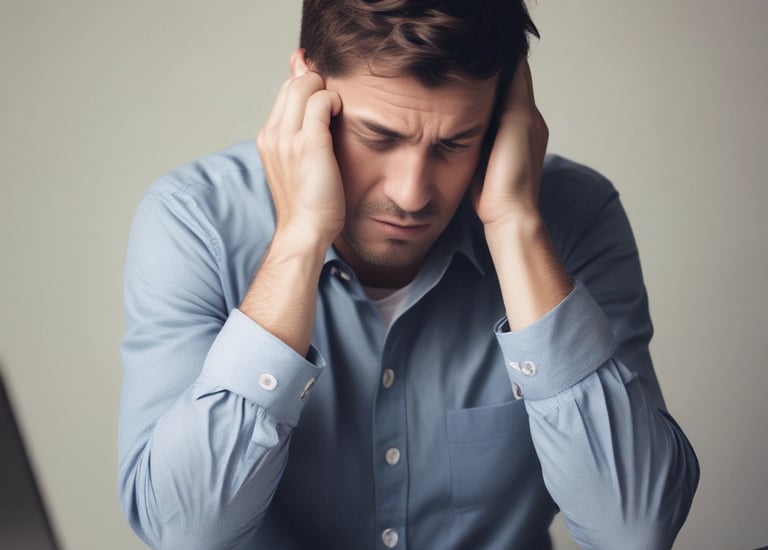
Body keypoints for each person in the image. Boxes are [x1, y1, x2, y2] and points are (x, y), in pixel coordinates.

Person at [118, 1, 699, 549]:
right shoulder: (196, 222)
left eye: (456, 143)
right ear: (305, 90)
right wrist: (299, 237)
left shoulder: (574, 220)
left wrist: (516, 226)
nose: (411, 193)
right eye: (379, 137)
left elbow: (634, 530)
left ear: (504, 118)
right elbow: (187, 533)